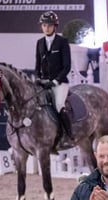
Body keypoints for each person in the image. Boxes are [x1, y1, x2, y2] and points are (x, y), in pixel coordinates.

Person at [35, 10, 72, 141]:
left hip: (60, 83)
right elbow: (37, 64)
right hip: (44, 83)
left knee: (59, 105)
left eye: (49, 25)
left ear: (55, 26)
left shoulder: (62, 42)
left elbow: (67, 66)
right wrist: (37, 78)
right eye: (44, 25)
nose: (46, 28)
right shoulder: (39, 42)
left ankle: (67, 134)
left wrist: (56, 81)